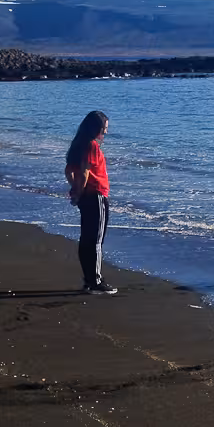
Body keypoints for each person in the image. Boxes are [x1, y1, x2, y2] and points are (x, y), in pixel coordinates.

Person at [65, 111, 117, 294]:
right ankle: (95, 281)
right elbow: (85, 172)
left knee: (86, 239)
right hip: (96, 195)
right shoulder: (92, 146)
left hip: (86, 197)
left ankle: (89, 279)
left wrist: (76, 190)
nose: (105, 132)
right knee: (95, 240)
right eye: (104, 128)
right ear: (95, 128)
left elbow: (69, 171)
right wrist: (79, 191)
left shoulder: (77, 144)